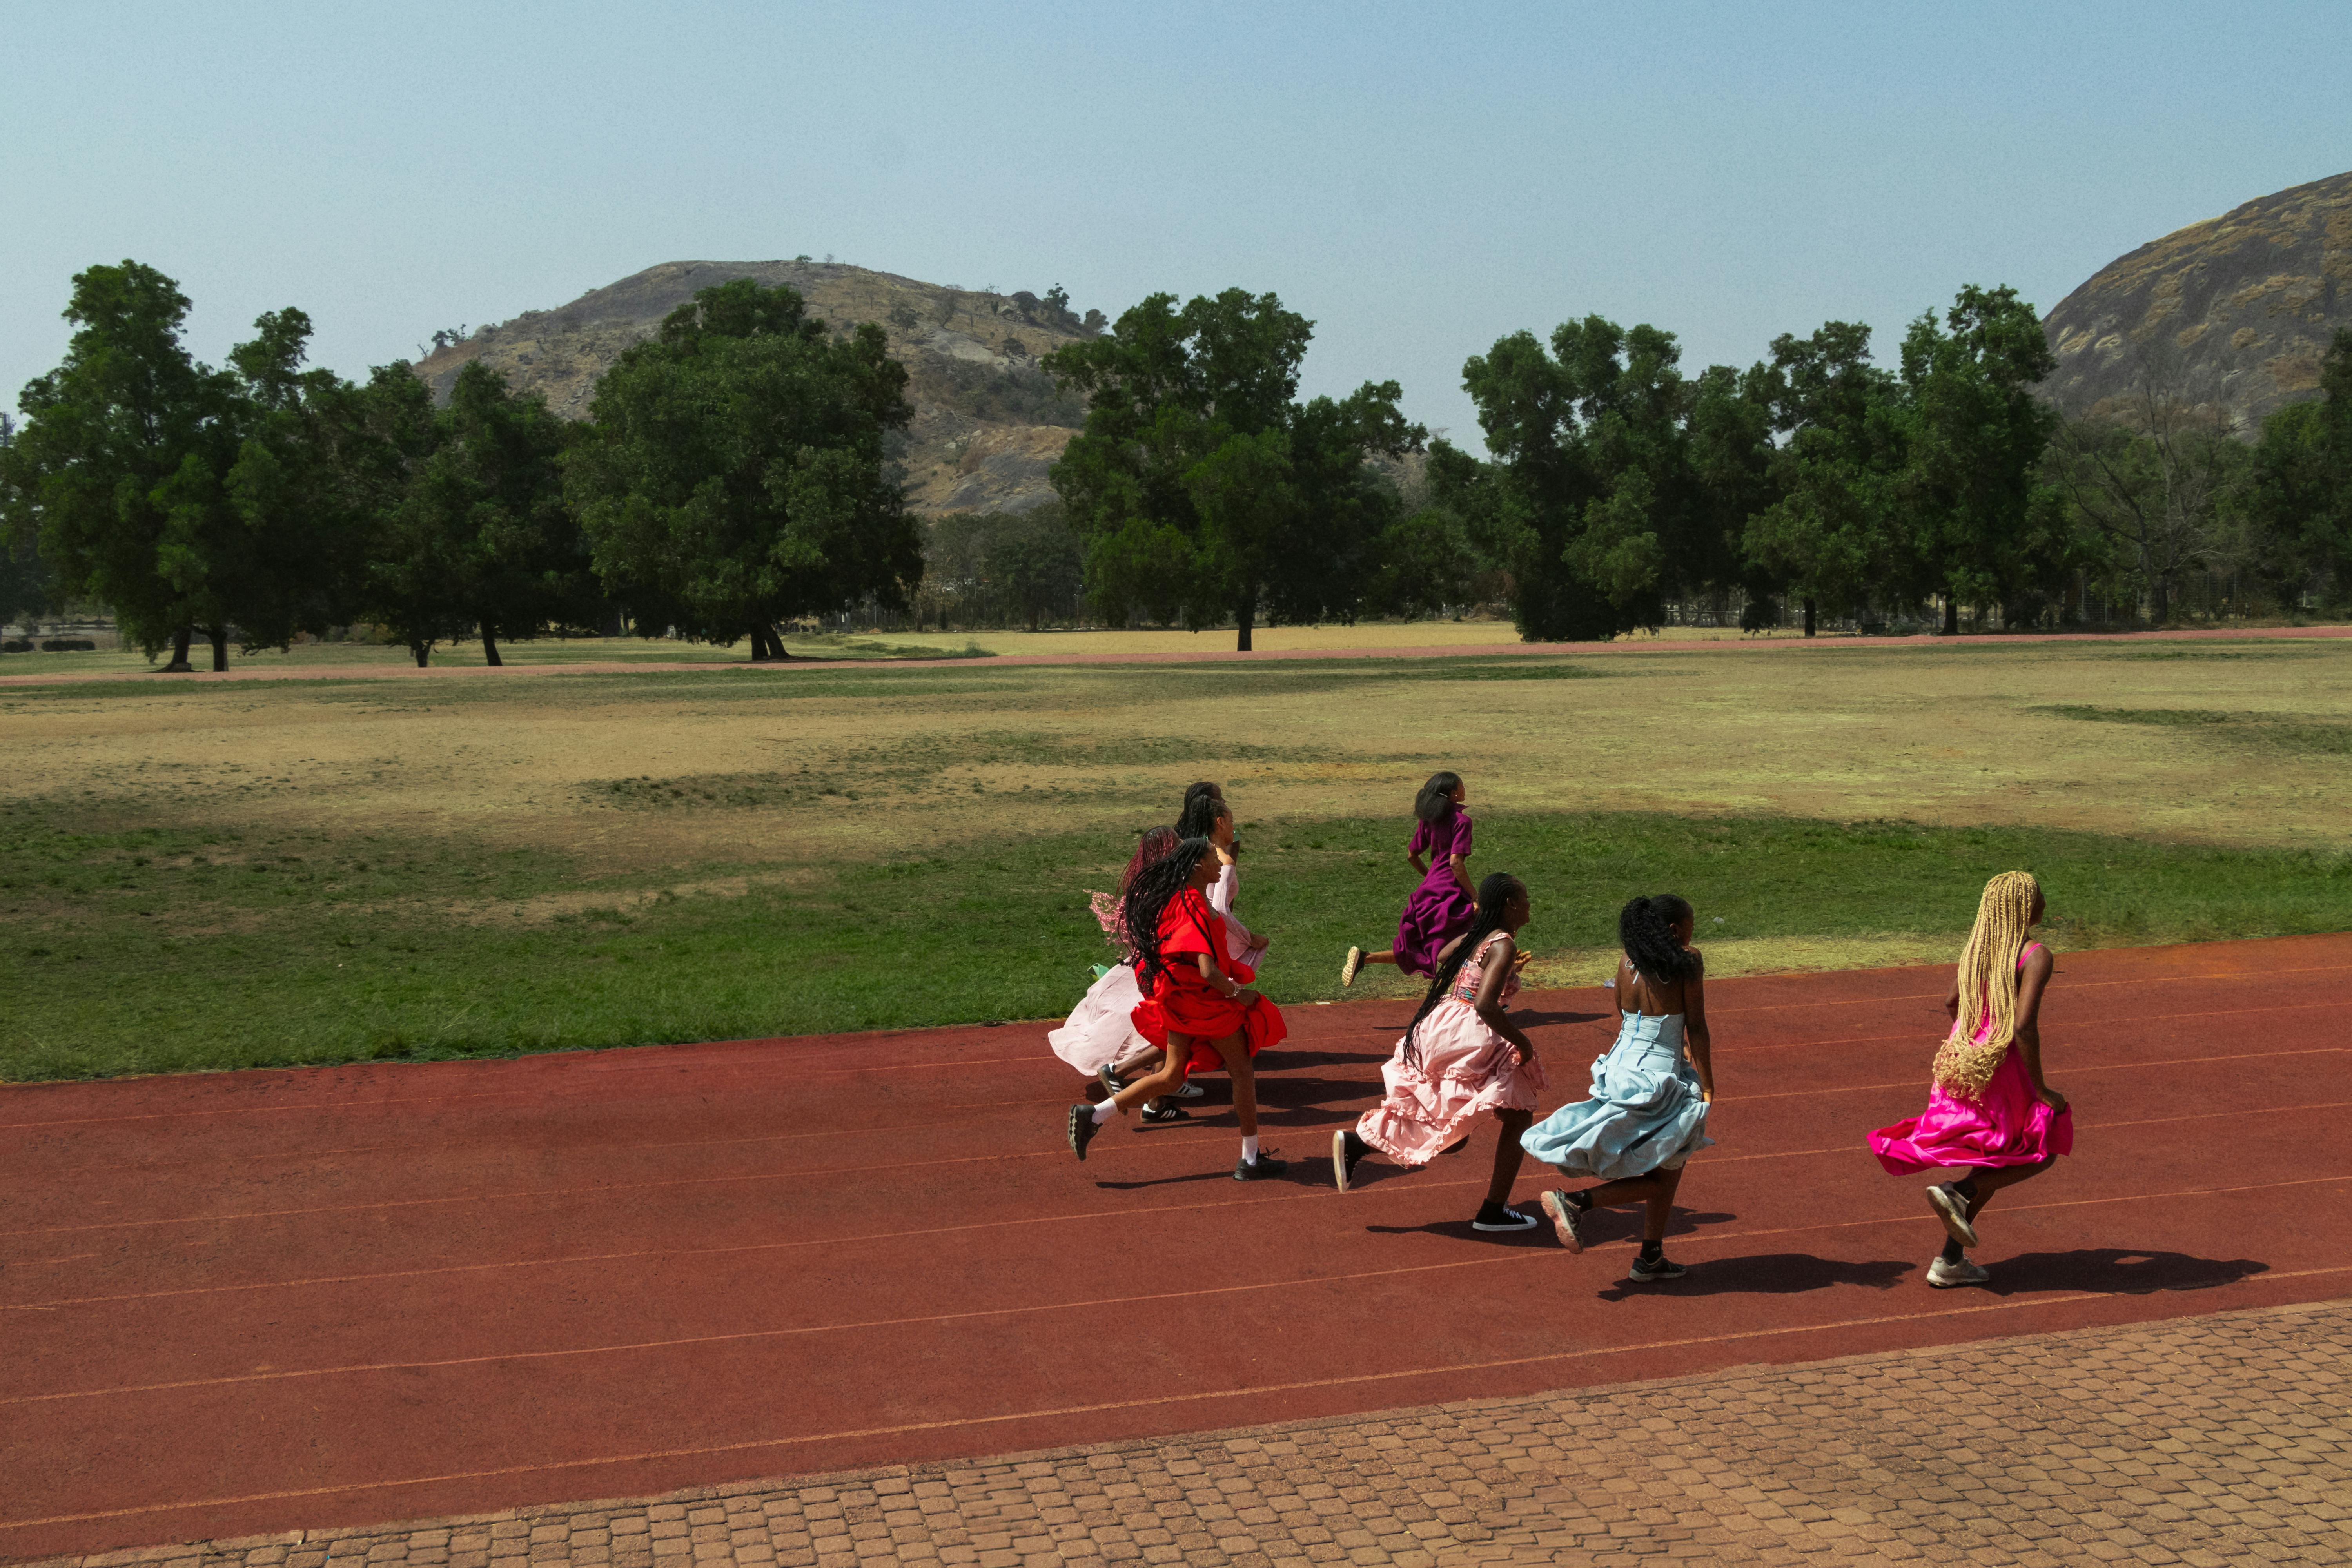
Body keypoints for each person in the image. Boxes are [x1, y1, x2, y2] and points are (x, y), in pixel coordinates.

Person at [1868, 871, 2070, 1289]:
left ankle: (1950, 1259)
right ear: (2024, 906)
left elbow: (1951, 1001)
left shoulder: (1979, 951)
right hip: (2004, 1067)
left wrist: (1972, 1035)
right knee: (2042, 1146)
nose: (2044, 901)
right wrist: (2042, 1089)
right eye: (2038, 895)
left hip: (1966, 1063)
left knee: (1992, 1159)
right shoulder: (2034, 955)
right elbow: (2024, 1027)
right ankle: (1958, 1192)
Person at [1332, 872, 1546, 1232]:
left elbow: (1446, 954)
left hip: (1442, 1025)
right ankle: (1493, 1211)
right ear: (1510, 905)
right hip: (1471, 1035)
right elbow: (1486, 1006)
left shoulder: (1485, 939)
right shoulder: (1503, 943)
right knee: (1519, 1113)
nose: (1529, 906)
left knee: (1452, 1135)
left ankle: (1360, 1143)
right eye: (1525, 899)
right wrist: (1524, 1044)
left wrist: (1494, 959)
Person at [1065, 836, 1289, 1180]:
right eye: (1214, 858)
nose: (1221, 862)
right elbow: (1207, 970)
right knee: (1242, 1072)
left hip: (1184, 1003)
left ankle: (1092, 1115)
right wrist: (1236, 994)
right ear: (1198, 866)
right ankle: (1251, 1159)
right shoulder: (1195, 906)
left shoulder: (1185, 899)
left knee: (1171, 1075)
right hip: (1205, 1005)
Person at [1524, 894, 1716, 1282]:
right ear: (1676, 930)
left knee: (1670, 1163)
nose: (1695, 932)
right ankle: (1575, 1202)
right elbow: (1696, 1026)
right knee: (1664, 1169)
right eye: (1692, 924)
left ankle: (1651, 1256)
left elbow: (1628, 1014)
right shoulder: (1688, 960)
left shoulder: (1626, 961)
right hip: (1660, 1076)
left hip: (1620, 1067)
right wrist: (1709, 1085)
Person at [1050, 825, 1193, 1120]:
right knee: (1175, 1029)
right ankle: (1143, 1090)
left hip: (1145, 966)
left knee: (1172, 1031)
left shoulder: (1140, 884)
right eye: (1176, 846)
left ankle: (1163, 1092)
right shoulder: (1166, 887)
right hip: (1163, 970)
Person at [1342, 771, 1475, 985]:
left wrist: (1430, 878)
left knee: (1424, 948)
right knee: (1469, 937)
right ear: (1453, 794)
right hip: (1449, 891)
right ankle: (1483, 988)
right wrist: (1475, 896)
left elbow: (1412, 855)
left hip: (1429, 890)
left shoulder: (1429, 820)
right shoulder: (1462, 822)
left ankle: (1366, 958)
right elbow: (1455, 863)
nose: (1465, 789)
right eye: (1461, 786)